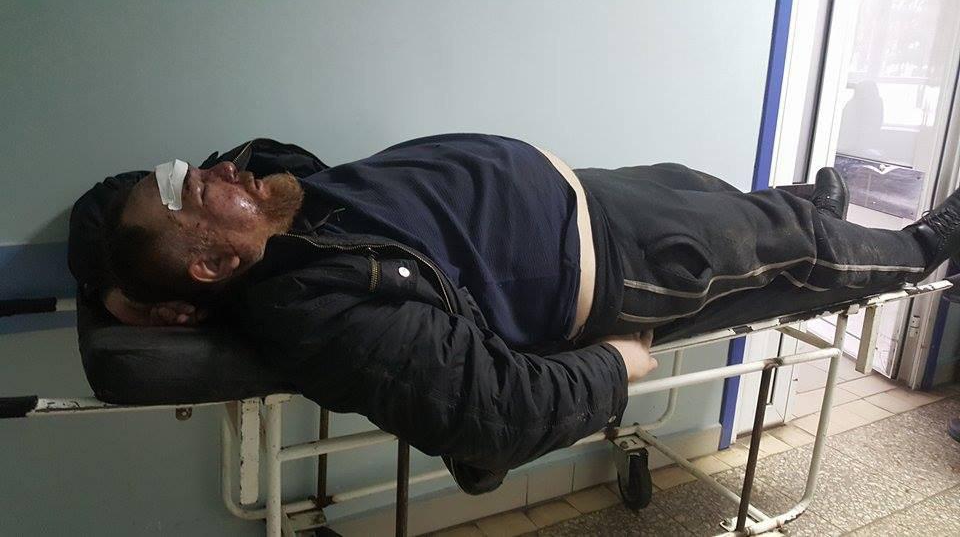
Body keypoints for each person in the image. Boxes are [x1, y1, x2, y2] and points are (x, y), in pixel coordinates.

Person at [68, 134, 960, 493]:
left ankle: (805, 205)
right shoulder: (313, 310)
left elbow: (113, 201)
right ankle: (921, 246)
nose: (216, 167)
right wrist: (615, 366)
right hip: (619, 261)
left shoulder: (275, 198)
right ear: (212, 262)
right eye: (195, 191)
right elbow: (493, 412)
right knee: (787, 247)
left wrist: (118, 284)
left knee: (714, 190)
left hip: (590, 195)